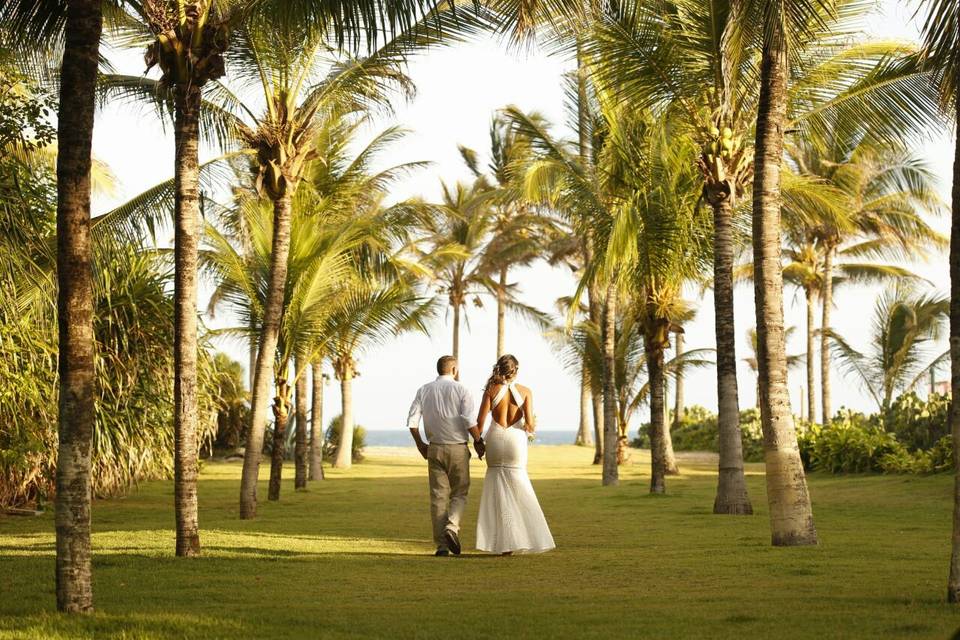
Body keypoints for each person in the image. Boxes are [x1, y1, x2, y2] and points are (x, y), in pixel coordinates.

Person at [471, 354, 555, 555]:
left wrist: (478, 443)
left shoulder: (491, 390)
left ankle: (502, 544)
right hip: (515, 439)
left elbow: (479, 424)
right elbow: (530, 425)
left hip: (496, 438)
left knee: (496, 488)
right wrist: (531, 424)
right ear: (515, 370)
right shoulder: (525, 391)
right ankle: (526, 538)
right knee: (519, 485)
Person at [407, 355, 484, 557]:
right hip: (458, 448)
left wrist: (420, 445)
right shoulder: (462, 389)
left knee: (438, 497)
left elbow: (412, 422)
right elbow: (468, 419)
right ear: (454, 370)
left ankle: (441, 546)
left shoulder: (424, 390)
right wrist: (478, 441)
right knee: (460, 492)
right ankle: (452, 527)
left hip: (434, 447)